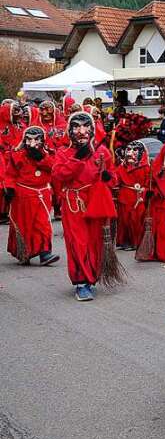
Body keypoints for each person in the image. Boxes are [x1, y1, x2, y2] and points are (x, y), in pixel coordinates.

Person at [52, 112, 117, 302]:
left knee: (96, 241)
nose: (81, 131)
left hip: (96, 203)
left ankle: (92, 276)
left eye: (85, 127)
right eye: (76, 127)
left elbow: (113, 177)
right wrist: (77, 160)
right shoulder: (63, 152)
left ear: (91, 128)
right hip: (74, 203)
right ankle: (81, 282)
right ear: (70, 130)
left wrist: (108, 178)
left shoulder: (102, 151)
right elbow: (58, 176)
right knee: (79, 242)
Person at [5, 126, 59, 266]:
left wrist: (41, 157)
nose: (32, 143)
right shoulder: (17, 155)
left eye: (36, 139)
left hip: (42, 193)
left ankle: (45, 253)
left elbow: (55, 169)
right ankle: (24, 252)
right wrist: (9, 189)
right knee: (24, 225)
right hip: (23, 195)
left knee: (43, 224)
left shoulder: (48, 153)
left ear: (42, 140)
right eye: (29, 139)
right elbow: (10, 174)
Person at [113, 140, 151, 252]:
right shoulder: (121, 167)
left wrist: (146, 191)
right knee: (124, 221)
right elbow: (115, 180)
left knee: (137, 220)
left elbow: (149, 182)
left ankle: (136, 241)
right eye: (129, 149)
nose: (130, 152)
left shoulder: (145, 167)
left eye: (134, 150)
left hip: (139, 197)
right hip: (124, 197)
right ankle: (124, 241)